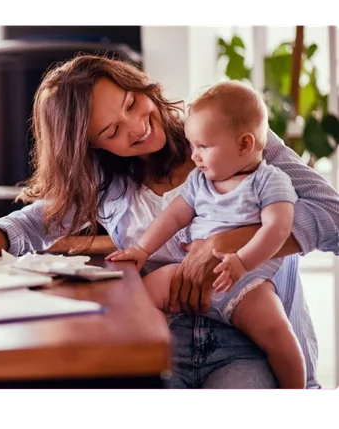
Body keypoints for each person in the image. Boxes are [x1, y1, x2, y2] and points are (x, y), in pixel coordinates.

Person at [0, 54, 339, 389]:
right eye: (113, 130)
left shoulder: (229, 131)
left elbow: (333, 216)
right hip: (164, 338)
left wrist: (225, 243)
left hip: (251, 340)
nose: (137, 126)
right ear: (92, 146)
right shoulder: (106, 180)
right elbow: (38, 219)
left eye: (132, 103)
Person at [106, 80, 305, 389]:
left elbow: (278, 229)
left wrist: (240, 261)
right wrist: (142, 250)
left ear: (243, 145)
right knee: (142, 293)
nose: (194, 156)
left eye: (203, 147)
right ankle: (159, 357)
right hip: (190, 273)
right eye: (192, 145)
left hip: (246, 283)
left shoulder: (270, 181)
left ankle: (296, 389)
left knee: (279, 334)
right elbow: (173, 216)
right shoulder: (201, 181)